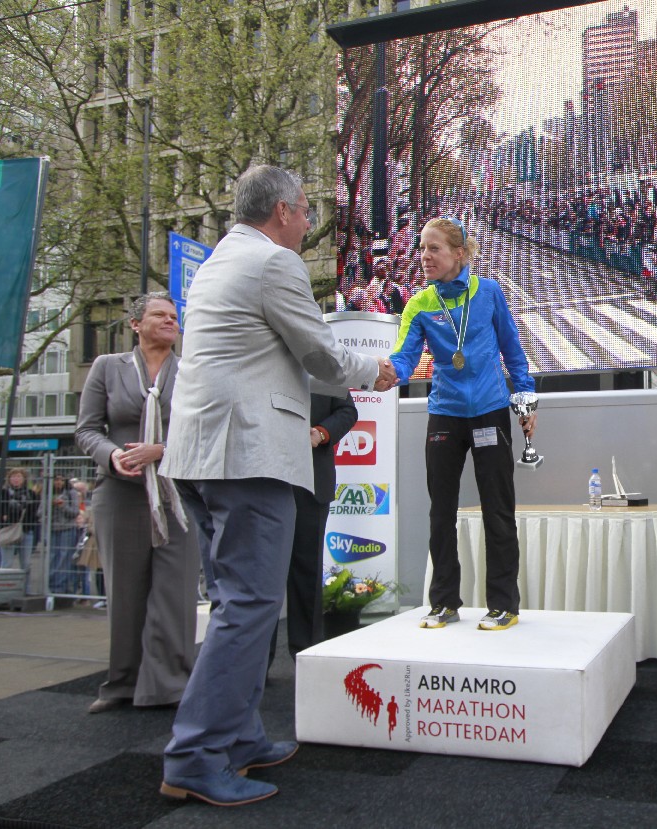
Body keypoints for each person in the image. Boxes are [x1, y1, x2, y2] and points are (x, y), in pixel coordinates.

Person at [158, 164, 395, 807]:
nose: (309, 222)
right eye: (306, 211)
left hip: (204, 455)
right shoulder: (273, 263)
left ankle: (238, 737)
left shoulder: (218, 261)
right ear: (284, 210)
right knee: (250, 607)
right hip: (248, 457)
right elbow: (319, 353)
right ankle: (195, 755)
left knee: (236, 603)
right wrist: (377, 369)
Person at [388, 216, 536, 633]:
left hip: (490, 409)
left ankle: (503, 604)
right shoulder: (419, 304)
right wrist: (386, 373)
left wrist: (525, 398)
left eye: (433, 248)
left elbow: (512, 350)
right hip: (446, 414)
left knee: (497, 510)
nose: (424, 256)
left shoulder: (488, 292)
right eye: (421, 248)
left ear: (459, 253)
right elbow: (404, 357)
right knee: (441, 512)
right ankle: (444, 602)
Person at [75, 292, 200, 716]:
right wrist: (112, 455)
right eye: (159, 315)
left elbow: (204, 430)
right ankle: (122, 684)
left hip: (177, 495)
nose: (170, 321)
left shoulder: (190, 371)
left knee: (175, 592)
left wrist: (160, 451)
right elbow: (87, 430)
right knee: (125, 592)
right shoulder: (107, 367)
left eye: (174, 317)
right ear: (135, 324)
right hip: (121, 494)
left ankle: (170, 685)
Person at [268, 392, 358, 666]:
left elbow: (347, 411)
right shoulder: (263, 368)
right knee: (264, 575)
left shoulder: (325, 371)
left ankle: (306, 656)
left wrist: (321, 432)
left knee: (307, 572)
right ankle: (257, 663)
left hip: (312, 479)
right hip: (266, 479)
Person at [0, 468, 38, 582]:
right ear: (9, 479)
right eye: (13, 476)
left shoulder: (31, 494)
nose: (16, 479)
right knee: (7, 562)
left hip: (26, 530)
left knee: (26, 563)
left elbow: (34, 512)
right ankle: (3, 587)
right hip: (8, 530)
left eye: (18, 476)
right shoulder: (3, 493)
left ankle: (25, 588)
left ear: (24, 479)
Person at [46, 474, 84, 596]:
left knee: (64, 557)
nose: (58, 482)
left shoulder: (71, 493)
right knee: (52, 557)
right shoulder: (48, 493)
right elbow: (41, 511)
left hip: (67, 528)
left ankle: (60, 587)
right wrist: (50, 505)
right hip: (52, 528)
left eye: (61, 480)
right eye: (55, 480)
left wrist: (63, 506)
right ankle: (50, 585)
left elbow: (75, 512)